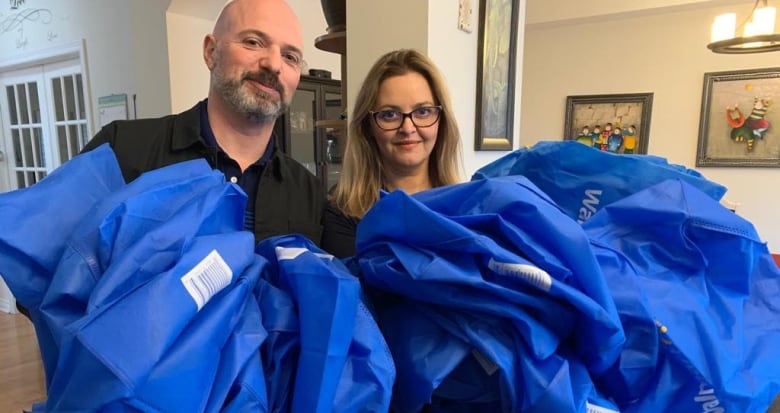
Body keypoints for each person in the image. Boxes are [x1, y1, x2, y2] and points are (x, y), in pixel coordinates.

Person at [81, 0, 323, 245]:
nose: (273, 64)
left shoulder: (309, 193)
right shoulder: (121, 150)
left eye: (290, 57)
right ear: (211, 52)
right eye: (253, 42)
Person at [321, 49, 463, 258]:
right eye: (389, 115)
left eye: (423, 112)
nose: (407, 128)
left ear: (441, 121)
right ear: (368, 126)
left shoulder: (465, 206)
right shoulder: (343, 211)